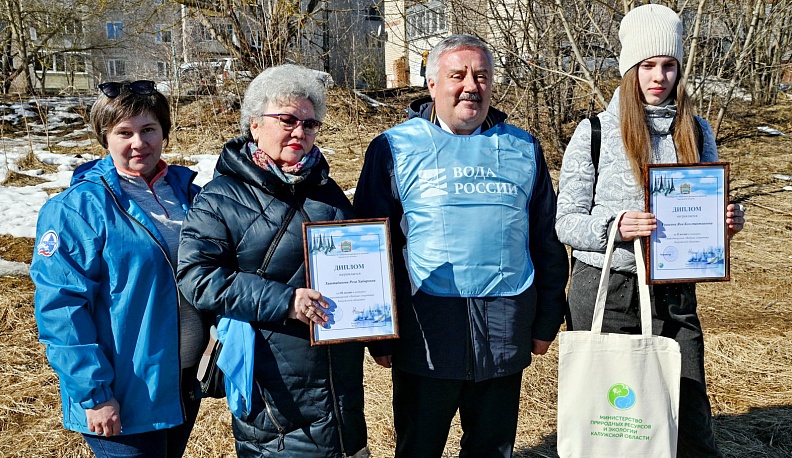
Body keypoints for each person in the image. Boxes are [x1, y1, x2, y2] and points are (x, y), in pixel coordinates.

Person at [354, 34, 569, 458]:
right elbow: (370, 245)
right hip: (426, 333)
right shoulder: (393, 148)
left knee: (492, 449)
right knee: (418, 447)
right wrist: (378, 335)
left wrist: (547, 319)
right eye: (458, 75)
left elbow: (546, 237)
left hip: (504, 328)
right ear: (432, 84)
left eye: (482, 75)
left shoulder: (523, 148)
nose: (471, 85)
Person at [555, 5, 746, 458]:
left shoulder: (696, 131)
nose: (658, 76)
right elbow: (565, 221)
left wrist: (724, 227)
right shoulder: (595, 131)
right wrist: (615, 226)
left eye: (668, 65)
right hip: (609, 288)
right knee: (616, 423)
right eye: (647, 66)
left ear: (679, 69)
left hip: (674, 293)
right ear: (630, 70)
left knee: (687, 417)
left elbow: (702, 217)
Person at [176, 64, 369, 458]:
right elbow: (197, 276)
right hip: (273, 383)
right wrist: (286, 301)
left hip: (339, 379)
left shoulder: (328, 193)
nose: (300, 131)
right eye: (287, 120)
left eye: (311, 123)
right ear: (254, 125)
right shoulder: (221, 198)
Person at [31, 80, 204, 457]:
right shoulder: (78, 208)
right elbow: (60, 308)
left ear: (164, 132)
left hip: (181, 385)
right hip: (122, 394)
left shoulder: (189, 195)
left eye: (148, 130)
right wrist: (95, 394)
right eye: (123, 132)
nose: (138, 143)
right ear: (105, 138)